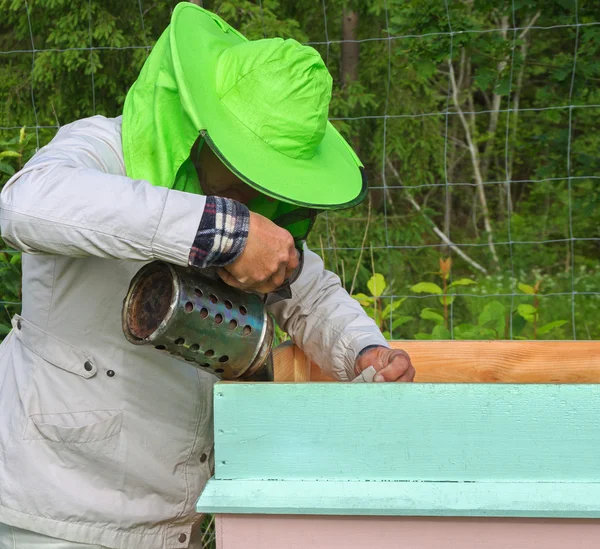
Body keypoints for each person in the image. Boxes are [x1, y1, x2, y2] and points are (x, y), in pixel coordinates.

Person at [0, 3, 414, 549]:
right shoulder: (102, 149)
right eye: (248, 165)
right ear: (204, 125)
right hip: (51, 513)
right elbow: (24, 204)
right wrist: (225, 232)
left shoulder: (264, 208)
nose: (257, 189)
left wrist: (364, 351)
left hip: (174, 524)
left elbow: (307, 289)